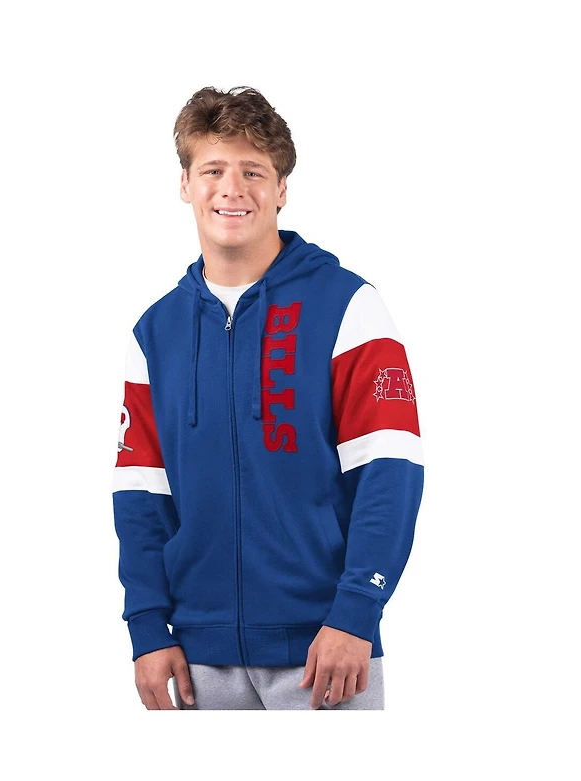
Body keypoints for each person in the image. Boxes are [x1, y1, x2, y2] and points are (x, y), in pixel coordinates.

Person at [112, 86, 424, 710]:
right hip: (195, 660)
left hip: (326, 655)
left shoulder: (348, 307)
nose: (232, 189)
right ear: (185, 184)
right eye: (213, 170)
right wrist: (147, 626)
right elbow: (141, 495)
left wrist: (357, 609)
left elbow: (389, 473)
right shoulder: (156, 331)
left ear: (281, 189)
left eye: (253, 172)